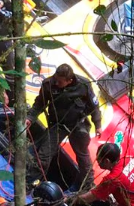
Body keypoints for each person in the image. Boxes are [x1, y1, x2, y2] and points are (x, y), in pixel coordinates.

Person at [27, 64, 101, 193]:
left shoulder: (83, 85)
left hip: (78, 123)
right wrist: (30, 118)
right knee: (44, 155)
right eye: (55, 79)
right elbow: (39, 104)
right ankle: (29, 182)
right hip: (57, 125)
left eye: (60, 82)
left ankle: (88, 185)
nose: (56, 82)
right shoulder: (48, 85)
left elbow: (94, 106)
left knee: (83, 156)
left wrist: (98, 125)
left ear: (69, 81)